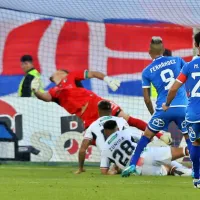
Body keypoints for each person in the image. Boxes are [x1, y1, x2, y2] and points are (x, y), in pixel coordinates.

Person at [121, 36, 191, 177]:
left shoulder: (147, 71)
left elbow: (147, 99)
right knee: (191, 139)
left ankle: (132, 165)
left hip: (163, 109)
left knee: (145, 137)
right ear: (164, 50)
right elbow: (190, 76)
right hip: (183, 107)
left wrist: (153, 113)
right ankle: (198, 170)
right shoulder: (177, 60)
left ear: (149, 52)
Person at [31, 69, 168, 134]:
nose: (52, 74)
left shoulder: (71, 76)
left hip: (95, 102)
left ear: (62, 73)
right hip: (85, 115)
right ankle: (116, 162)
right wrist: (36, 90)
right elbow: (45, 97)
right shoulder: (55, 91)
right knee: (91, 138)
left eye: (55, 72)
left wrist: (108, 79)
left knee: (126, 118)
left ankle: (160, 134)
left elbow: (94, 74)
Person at [76, 100, 172, 174]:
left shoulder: (92, 126)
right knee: (165, 165)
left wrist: (80, 168)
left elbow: (82, 150)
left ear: (98, 111)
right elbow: (130, 137)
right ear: (111, 110)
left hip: (111, 158)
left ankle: (116, 168)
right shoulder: (120, 120)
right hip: (134, 155)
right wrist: (156, 136)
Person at [162, 32, 200, 188]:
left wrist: (167, 103)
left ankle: (197, 178)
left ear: (195, 45)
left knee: (196, 143)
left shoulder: (188, 66)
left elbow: (173, 88)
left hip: (193, 114)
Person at [100, 120, 191, 176]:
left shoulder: (104, 149)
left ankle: (180, 171)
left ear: (105, 131)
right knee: (182, 151)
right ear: (117, 128)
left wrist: (115, 170)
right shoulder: (125, 132)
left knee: (168, 169)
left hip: (137, 169)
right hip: (146, 154)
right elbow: (147, 138)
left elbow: (104, 171)